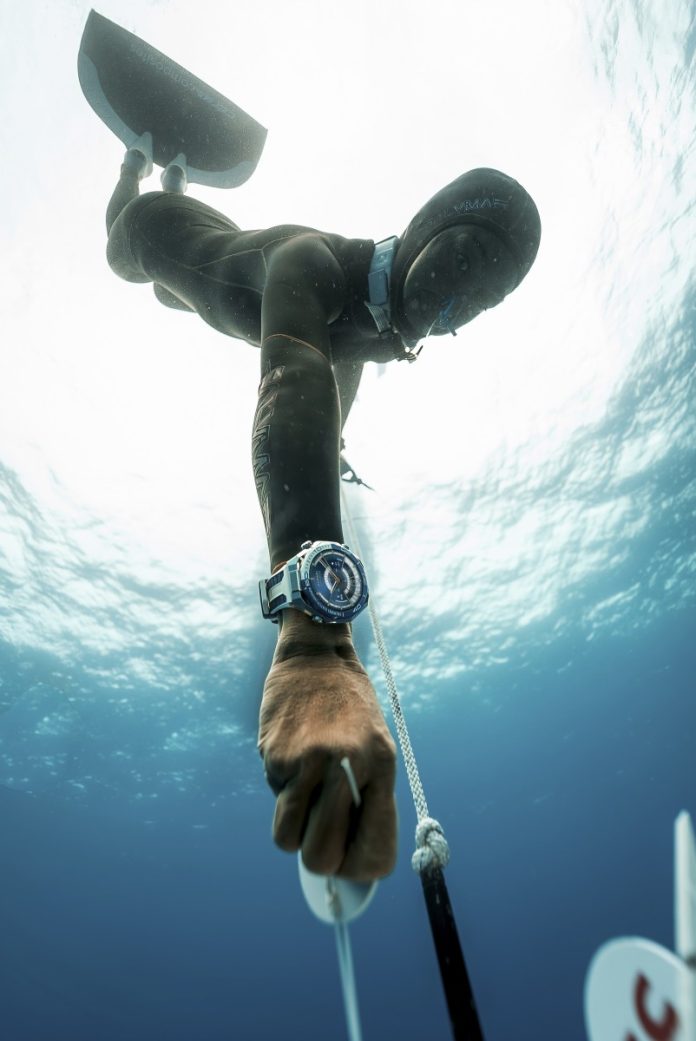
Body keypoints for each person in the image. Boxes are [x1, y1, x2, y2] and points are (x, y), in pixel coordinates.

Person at [105, 148, 541, 881]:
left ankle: (178, 178)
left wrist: (330, 443)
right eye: (464, 260)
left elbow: (336, 372)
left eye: (480, 300)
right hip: (164, 233)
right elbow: (294, 373)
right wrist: (313, 634)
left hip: (219, 277)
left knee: (174, 296)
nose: (456, 301)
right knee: (127, 254)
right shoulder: (313, 263)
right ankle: (140, 173)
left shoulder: (374, 325)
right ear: (426, 229)